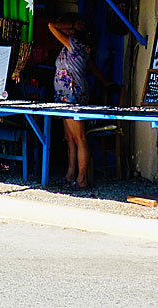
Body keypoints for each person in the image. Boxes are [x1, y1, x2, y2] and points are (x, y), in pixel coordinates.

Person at [48, 13, 112, 189]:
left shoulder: (75, 44)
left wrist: (73, 25)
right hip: (65, 96)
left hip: (72, 96)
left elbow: (51, 25)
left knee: (79, 138)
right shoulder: (79, 47)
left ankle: (81, 178)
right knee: (69, 138)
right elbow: (92, 67)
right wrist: (105, 81)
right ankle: (71, 174)